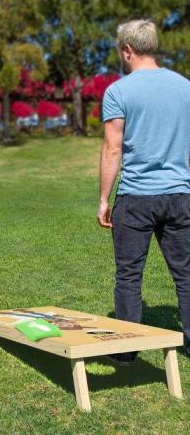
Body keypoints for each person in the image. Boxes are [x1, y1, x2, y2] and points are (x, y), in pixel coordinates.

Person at [98, 20, 190, 362]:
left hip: (136, 198)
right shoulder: (185, 87)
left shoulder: (119, 91)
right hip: (181, 196)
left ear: (127, 50)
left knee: (129, 274)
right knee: (186, 274)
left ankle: (126, 350)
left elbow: (112, 149)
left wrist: (104, 200)